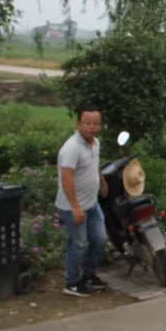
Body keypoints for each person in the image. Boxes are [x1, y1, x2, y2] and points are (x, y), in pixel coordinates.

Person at [55, 106, 109, 297]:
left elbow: (94, 165)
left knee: (100, 239)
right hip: (73, 207)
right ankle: (71, 283)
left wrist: (101, 182)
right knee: (78, 244)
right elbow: (66, 179)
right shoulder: (71, 148)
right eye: (88, 123)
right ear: (79, 124)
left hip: (92, 204)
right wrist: (76, 207)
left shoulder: (95, 143)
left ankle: (88, 275)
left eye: (96, 123)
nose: (92, 127)